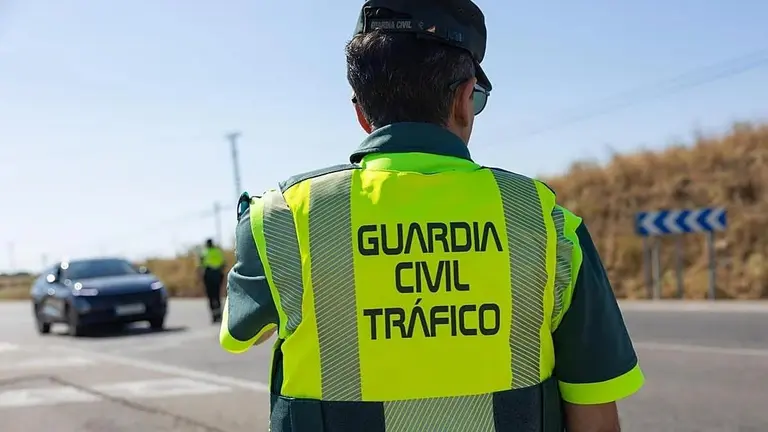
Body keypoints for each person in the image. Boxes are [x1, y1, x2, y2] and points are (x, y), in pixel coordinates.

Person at [219, 0, 645, 430]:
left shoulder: (282, 217)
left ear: (362, 114)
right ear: (464, 99)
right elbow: (595, 413)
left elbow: (243, 334)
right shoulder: (548, 223)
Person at [199, 238, 225, 323]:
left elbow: (200, 265)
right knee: (217, 296)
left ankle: (214, 315)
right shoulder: (218, 251)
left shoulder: (204, 252)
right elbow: (223, 264)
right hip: (217, 274)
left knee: (210, 296)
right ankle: (219, 315)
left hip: (208, 274)